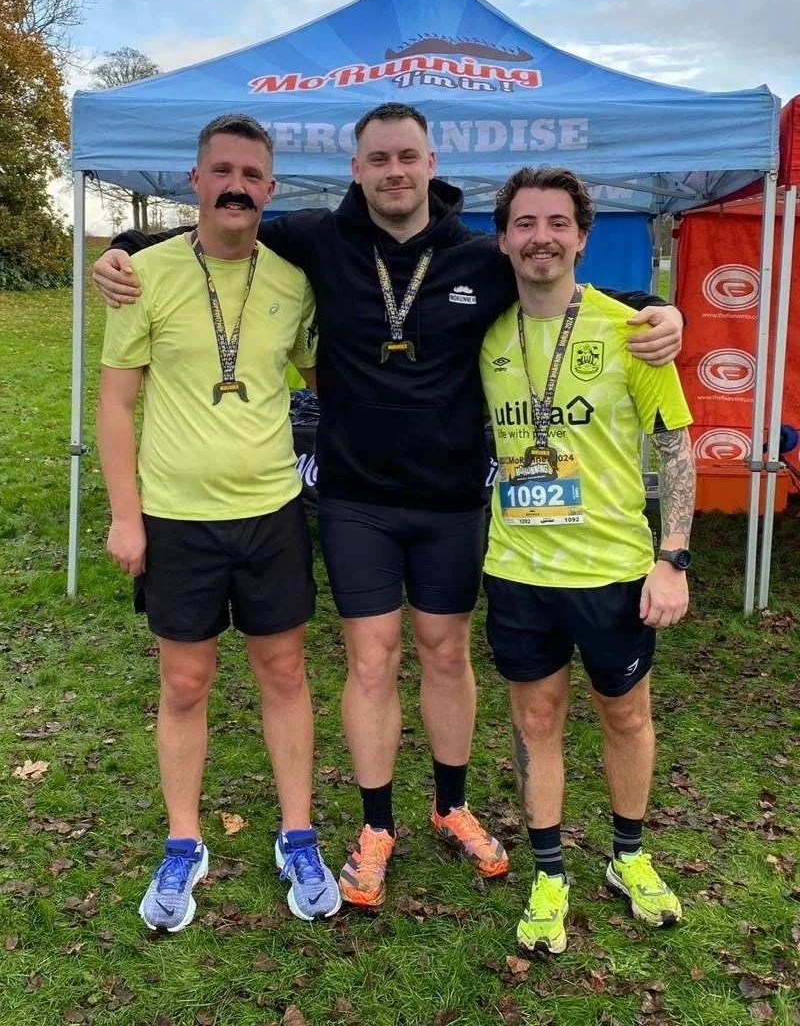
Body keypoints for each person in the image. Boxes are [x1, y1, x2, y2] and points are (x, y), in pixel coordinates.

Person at [93, 102, 685, 911]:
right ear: (356, 169)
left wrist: (657, 307)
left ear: (431, 162)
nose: (394, 171)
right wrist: (120, 253)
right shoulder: (312, 239)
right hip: (354, 499)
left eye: (408, 156)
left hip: (448, 500)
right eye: (378, 158)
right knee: (370, 660)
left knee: (445, 654)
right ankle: (376, 826)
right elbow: (211, 235)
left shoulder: (479, 257)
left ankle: (452, 804)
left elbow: (557, 279)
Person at [96, 113, 340, 931]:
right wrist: (125, 516)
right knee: (185, 682)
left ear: (271, 189)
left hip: (270, 511)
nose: (237, 186)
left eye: (252, 174)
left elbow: (330, 375)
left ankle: (298, 834)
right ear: (195, 181)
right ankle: (182, 843)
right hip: (175, 519)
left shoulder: (293, 280)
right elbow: (117, 402)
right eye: (222, 171)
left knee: (284, 674)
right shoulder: (144, 274)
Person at [479, 165, 695, 955]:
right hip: (519, 570)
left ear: (582, 235)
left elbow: (675, 446)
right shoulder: (486, 332)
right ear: (503, 238)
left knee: (625, 713)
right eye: (526, 223)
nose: (542, 237)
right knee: (536, 721)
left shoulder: (632, 330)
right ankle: (549, 872)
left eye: (558, 223)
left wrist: (672, 557)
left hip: (612, 570)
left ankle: (629, 858)